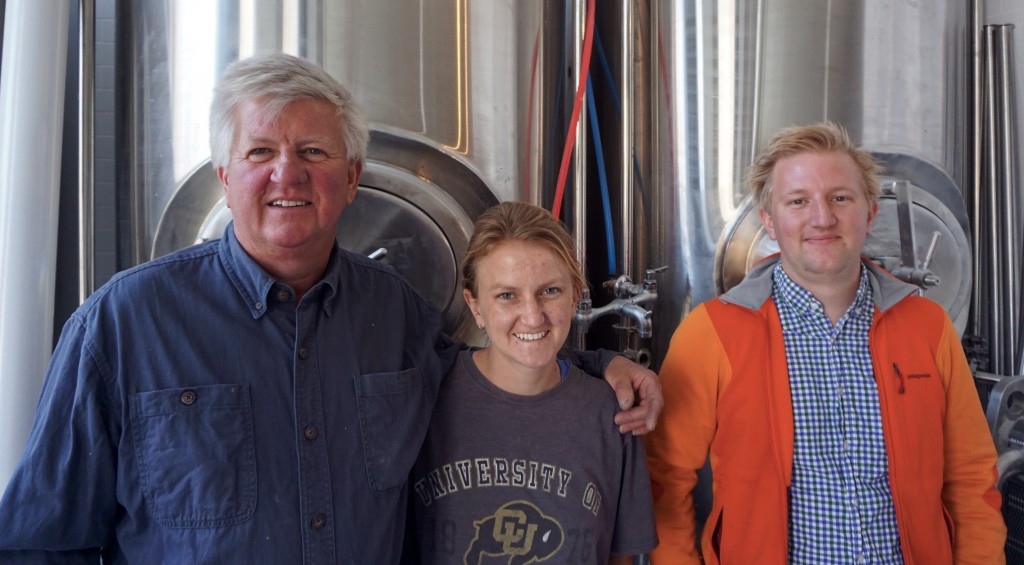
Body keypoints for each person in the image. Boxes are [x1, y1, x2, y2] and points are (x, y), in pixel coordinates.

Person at [0, 53, 661, 564]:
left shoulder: (398, 316)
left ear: (350, 178)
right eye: (261, 152)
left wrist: (601, 365)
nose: (288, 173)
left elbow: (497, 365)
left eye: (313, 152)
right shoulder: (122, 324)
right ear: (226, 178)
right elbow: (38, 540)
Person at [645, 122, 1006, 564]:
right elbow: (663, 480)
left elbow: (970, 480)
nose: (822, 218)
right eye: (798, 201)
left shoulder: (927, 327)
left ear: (870, 212)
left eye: (840, 197)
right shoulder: (712, 333)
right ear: (770, 222)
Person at [409, 202, 658, 564]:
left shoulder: (613, 412)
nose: (531, 315)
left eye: (550, 291)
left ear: (576, 295)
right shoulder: (425, 398)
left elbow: (622, 557)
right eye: (507, 295)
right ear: (475, 306)